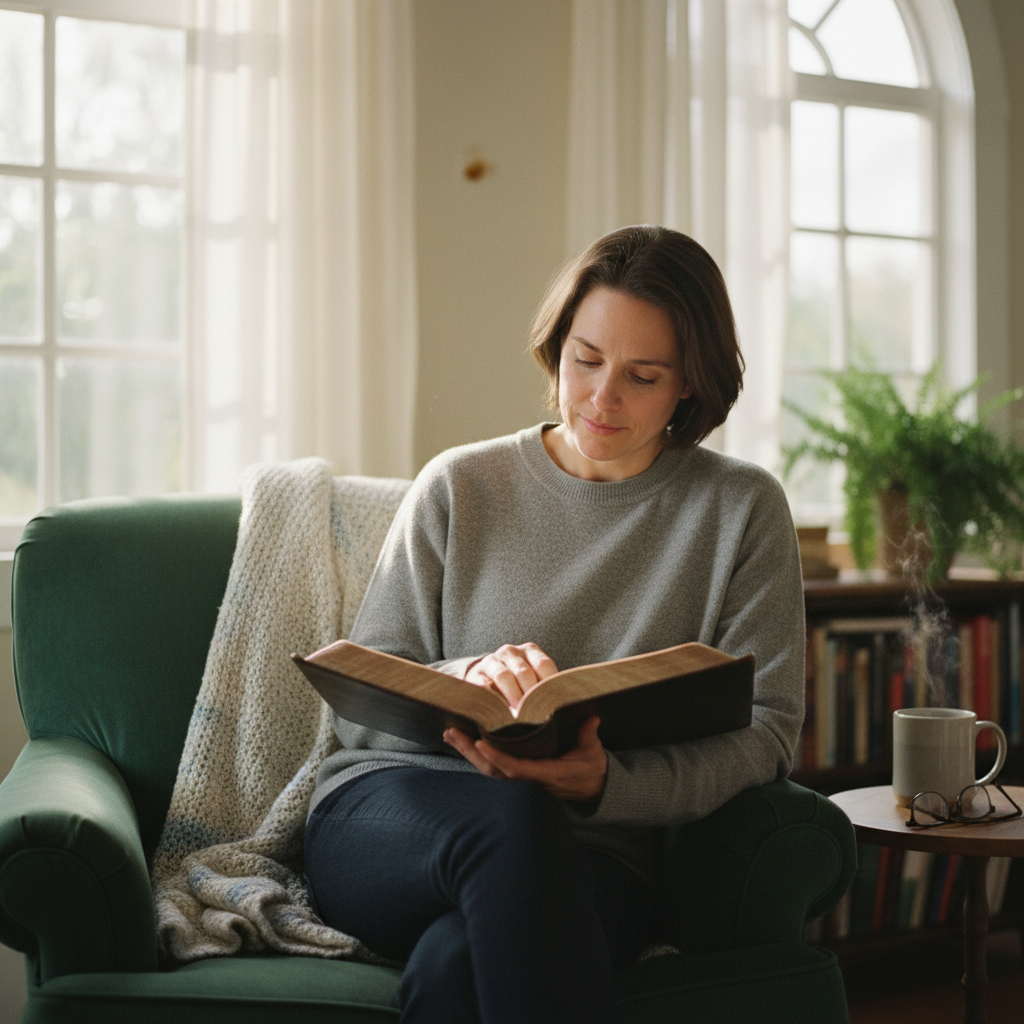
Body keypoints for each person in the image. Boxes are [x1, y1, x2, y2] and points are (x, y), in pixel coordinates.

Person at [303, 225, 805, 1024]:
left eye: (643, 376)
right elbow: (360, 707)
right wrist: (460, 679)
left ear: (690, 385)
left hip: (594, 853)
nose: (603, 398)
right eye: (586, 360)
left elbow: (768, 734)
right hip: (392, 817)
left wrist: (609, 784)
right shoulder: (459, 485)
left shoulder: (739, 511)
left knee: (453, 969)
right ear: (556, 349)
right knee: (513, 821)